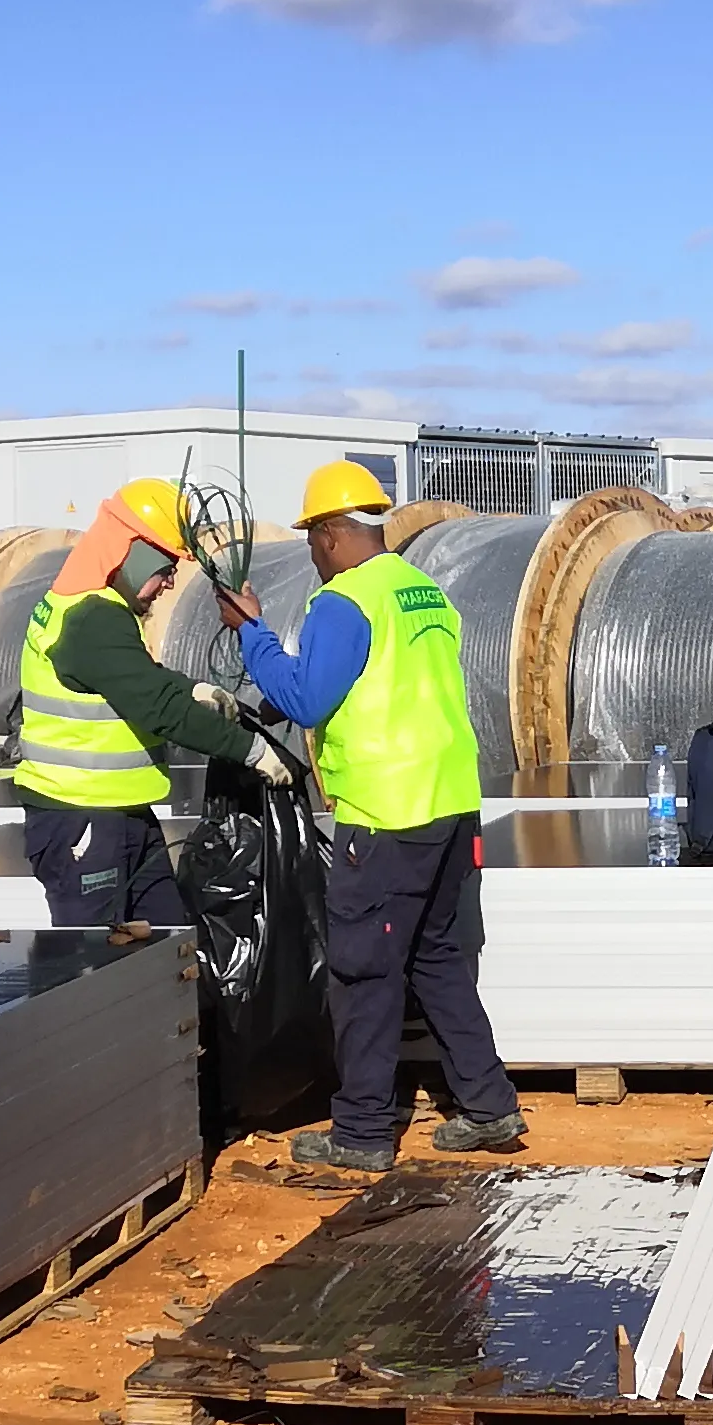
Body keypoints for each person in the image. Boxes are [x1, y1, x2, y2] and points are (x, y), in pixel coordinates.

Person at [229, 461, 523, 1171]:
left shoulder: (344, 602)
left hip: (386, 815)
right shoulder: (423, 591)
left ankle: (361, 1132)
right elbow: (384, 683)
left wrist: (252, 634)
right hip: (450, 804)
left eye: (311, 537)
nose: (311, 551)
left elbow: (309, 700)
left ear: (333, 533)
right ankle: (489, 1105)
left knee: (364, 973)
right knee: (440, 960)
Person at [14, 475, 277, 928]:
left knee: (166, 943)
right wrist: (252, 751)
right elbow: (159, 708)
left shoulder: (89, 604)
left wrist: (191, 690)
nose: (170, 582)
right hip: (83, 820)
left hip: (118, 814)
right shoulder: (93, 617)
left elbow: (133, 677)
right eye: (166, 566)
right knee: (94, 957)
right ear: (131, 552)